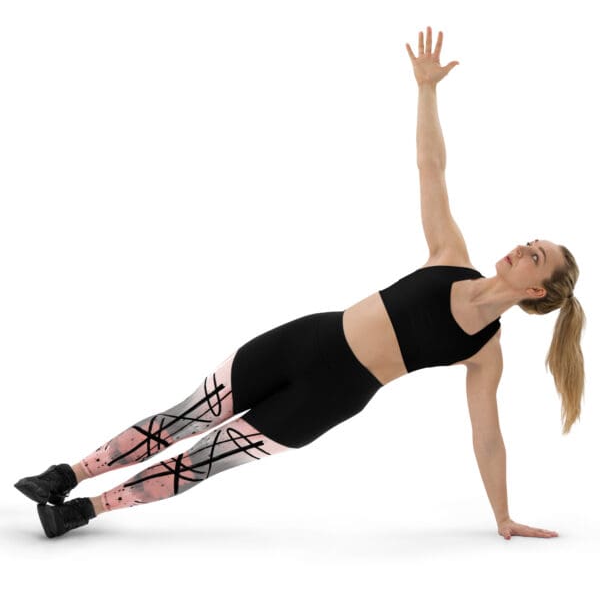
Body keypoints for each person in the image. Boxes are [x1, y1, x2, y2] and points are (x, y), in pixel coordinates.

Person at [15, 26, 584, 541]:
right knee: (183, 415)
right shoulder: (449, 256)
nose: (520, 248)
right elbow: (430, 166)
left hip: (328, 397)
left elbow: (487, 438)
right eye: (528, 242)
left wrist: (502, 517)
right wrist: (427, 89)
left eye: (534, 256)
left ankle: (82, 512)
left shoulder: (485, 353)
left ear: (538, 290)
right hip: (304, 340)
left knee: (203, 459)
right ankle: (63, 476)